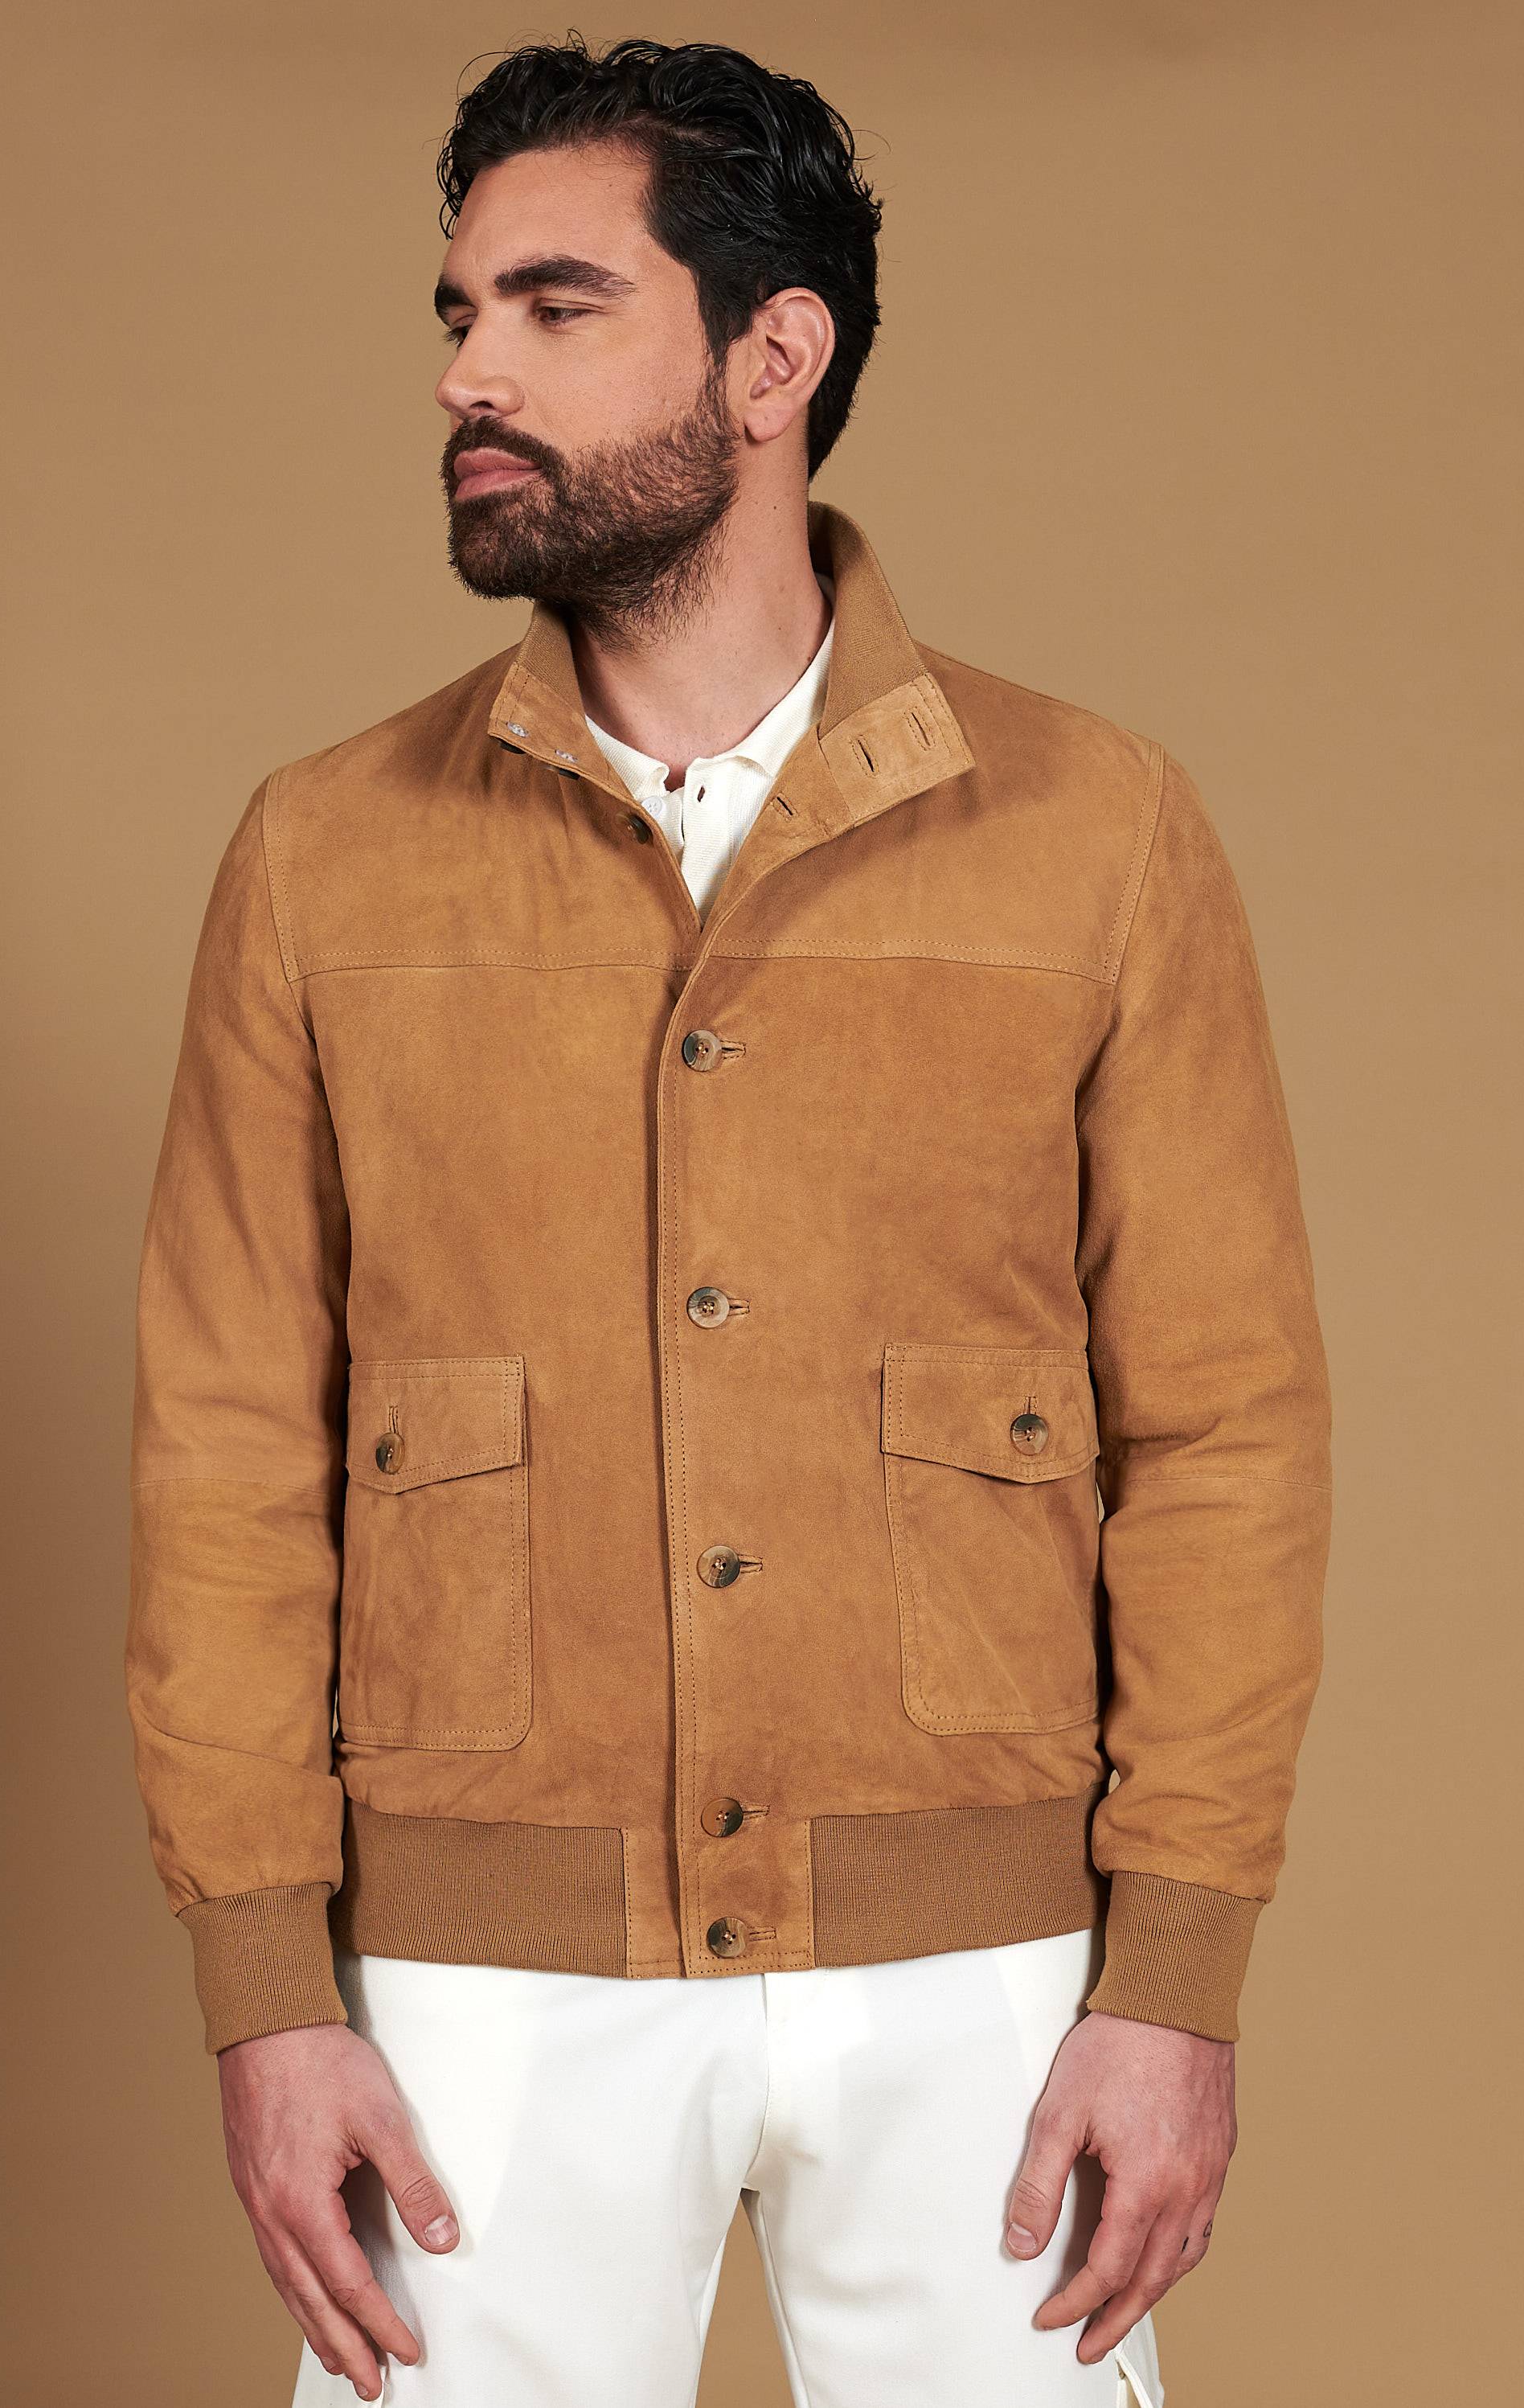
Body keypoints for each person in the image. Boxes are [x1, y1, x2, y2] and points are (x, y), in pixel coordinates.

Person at [125, 35, 1331, 2408]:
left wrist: (1178, 1968)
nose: (468, 374)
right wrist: (268, 1988)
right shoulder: (321, 857)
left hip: (989, 1972)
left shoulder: (1096, 833)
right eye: (458, 311)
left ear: (776, 357)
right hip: (476, 1975)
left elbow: (1228, 1430)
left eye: (554, 308)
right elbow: (227, 1449)